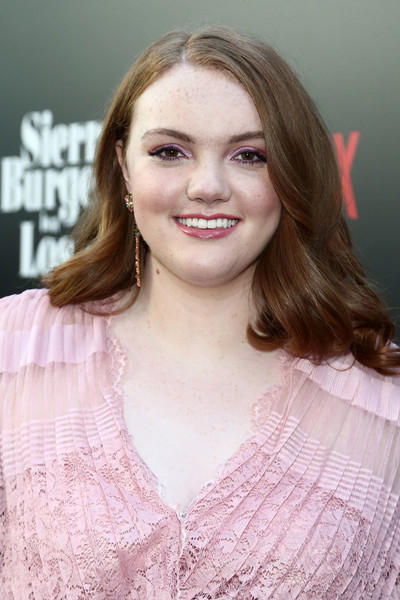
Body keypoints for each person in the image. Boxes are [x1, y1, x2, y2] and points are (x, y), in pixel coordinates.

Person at [1, 25, 399, 600]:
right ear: (123, 166)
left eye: (249, 155)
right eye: (170, 151)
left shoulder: (383, 407)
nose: (208, 186)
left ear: (292, 176)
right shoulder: (14, 353)